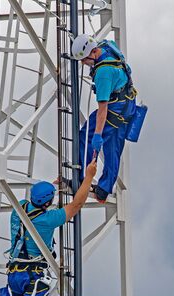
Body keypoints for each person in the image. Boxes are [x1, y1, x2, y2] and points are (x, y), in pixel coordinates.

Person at [5, 158, 97, 296]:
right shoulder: (47, 220)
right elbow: (76, 205)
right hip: (33, 276)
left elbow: (39, 199)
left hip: (15, 276)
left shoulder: (18, 210)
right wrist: (89, 177)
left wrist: (54, 186)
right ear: (48, 203)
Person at [71, 34, 137, 203]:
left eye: (84, 60)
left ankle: (82, 179)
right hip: (128, 103)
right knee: (114, 145)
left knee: (85, 136)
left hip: (114, 107)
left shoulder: (103, 73)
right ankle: (104, 189)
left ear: (93, 53)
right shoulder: (107, 46)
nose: (83, 63)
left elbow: (102, 110)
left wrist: (98, 135)